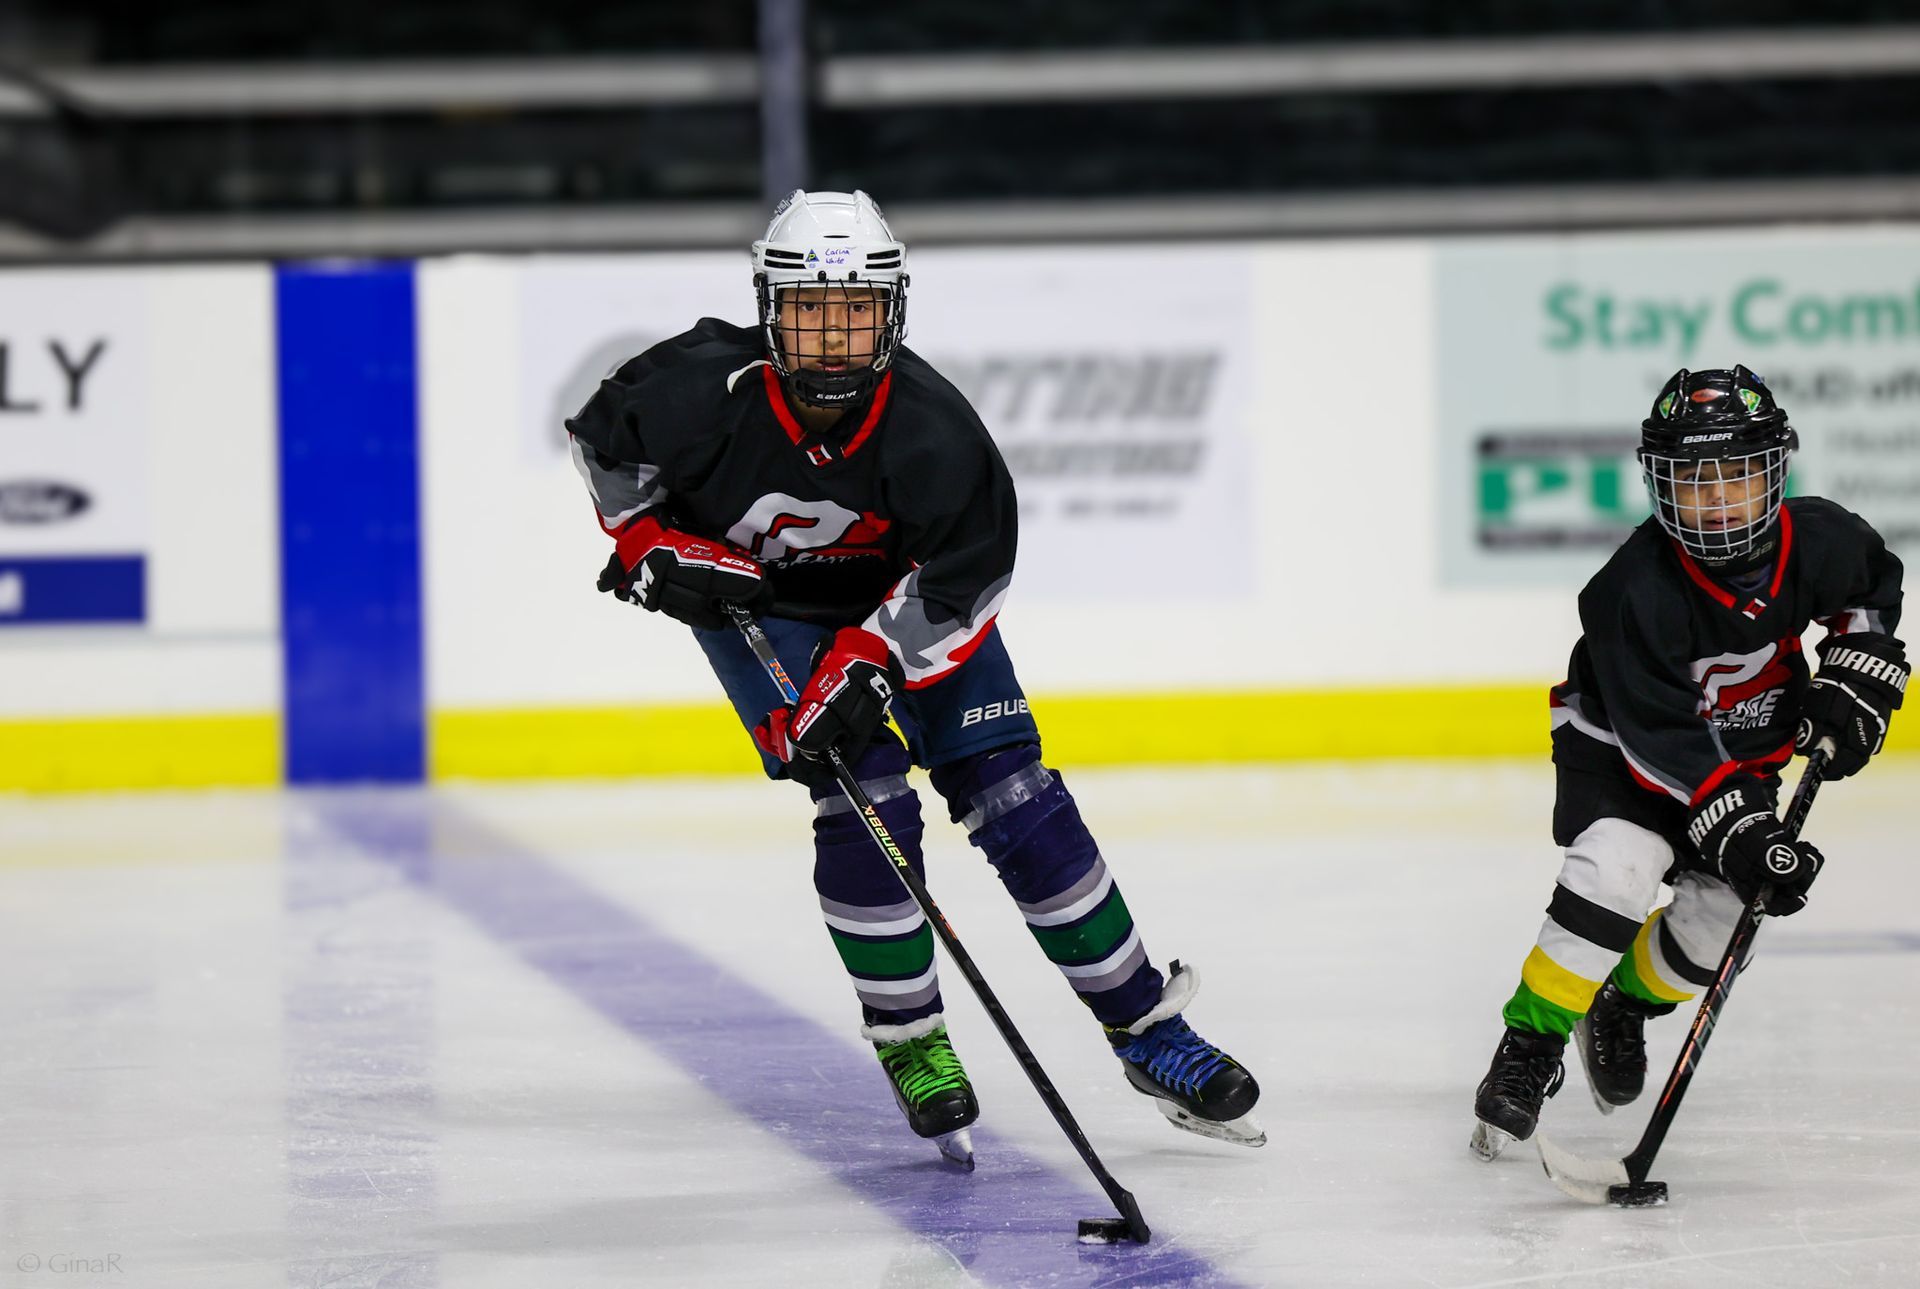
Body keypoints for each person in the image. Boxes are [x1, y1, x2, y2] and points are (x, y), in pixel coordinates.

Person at [565, 189, 1263, 1164]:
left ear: (892, 310)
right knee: (866, 798)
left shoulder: (934, 431)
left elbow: (969, 575)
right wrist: (642, 534)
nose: (836, 334)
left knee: (1016, 797)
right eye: (812, 309)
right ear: (771, 308)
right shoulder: (694, 387)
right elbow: (606, 440)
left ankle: (1147, 1030)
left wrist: (875, 654)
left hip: (911, 609)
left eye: (856, 309)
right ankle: (912, 1038)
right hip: (769, 613)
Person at [1469, 365, 1907, 1161]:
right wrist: (1739, 822)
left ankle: (1624, 1006)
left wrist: (1855, 671)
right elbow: (1662, 735)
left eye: (1737, 476)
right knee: (1614, 871)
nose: (1718, 499)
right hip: (1622, 757)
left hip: (1741, 755)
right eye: (1693, 481)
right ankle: (1530, 1046)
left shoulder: (1824, 537)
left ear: (1775, 470)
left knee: (1724, 919)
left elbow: (1869, 596)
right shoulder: (1630, 588)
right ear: (1657, 484)